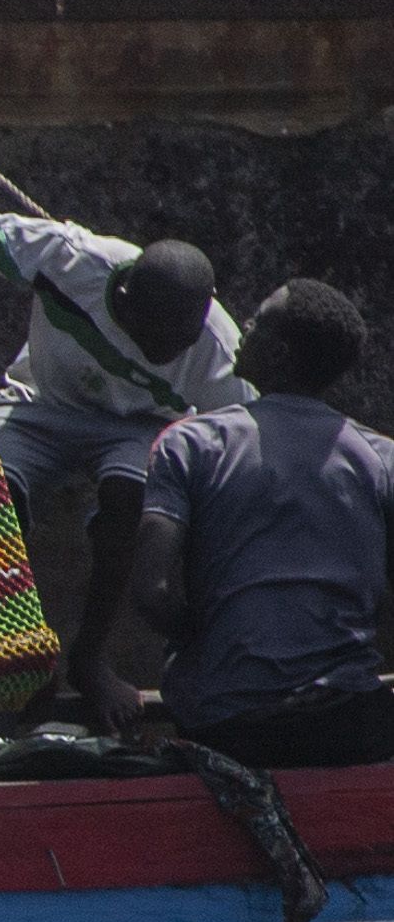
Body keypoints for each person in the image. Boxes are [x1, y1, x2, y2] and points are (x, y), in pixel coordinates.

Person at [0, 204, 236, 706]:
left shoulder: (217, 344)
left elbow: (256, 437)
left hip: (139, 426)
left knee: (134, 501)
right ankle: (19, 647)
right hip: (41, 403)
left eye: (181, 340)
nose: (166, 352)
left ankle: (89, 657)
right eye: (151, 337)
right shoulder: (68, 260)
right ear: (124, 300)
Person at [108, 283, 393, 767]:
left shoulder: (192, 443)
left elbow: (151, 593)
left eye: (258, 321)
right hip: (350, 723)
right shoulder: (382, 458)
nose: (244, 327)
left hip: (231, 724)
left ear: (279, 354)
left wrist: (211, 635)